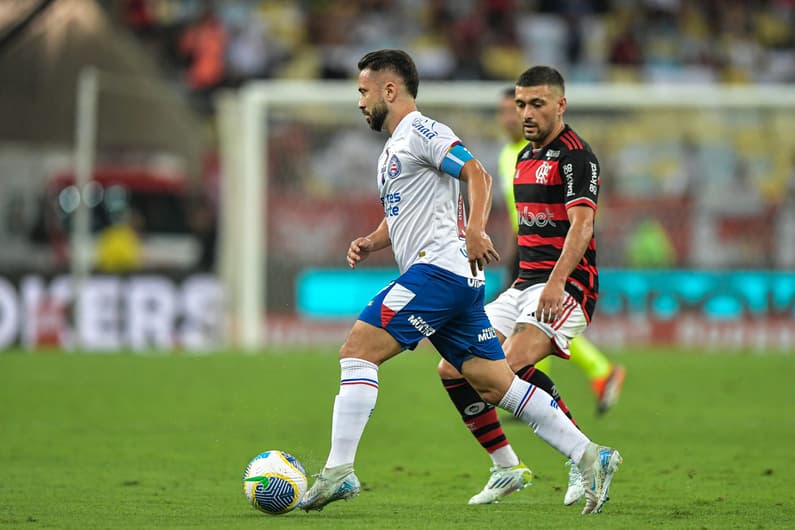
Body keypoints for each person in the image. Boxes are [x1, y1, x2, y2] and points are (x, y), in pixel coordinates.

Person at [299, 50, 621, 516]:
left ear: (390, 91)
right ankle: (589, 455)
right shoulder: (394, 148)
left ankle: (338, 471)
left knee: (358, 349)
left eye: (363, 91)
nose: (359, 102)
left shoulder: (423, 131)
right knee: (493, 383)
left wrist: (474, 229)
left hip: (439, 272)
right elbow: (405, 214)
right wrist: (372, 241)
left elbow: (476, 173)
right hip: (452, 278)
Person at [436, 66, 621, 507]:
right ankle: (507, 467)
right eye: (521, 104)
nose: (526, 113)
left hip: (567, 285)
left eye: (537, 103)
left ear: (561, 104)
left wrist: (557, 283)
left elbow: (583, 225)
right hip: (523, 283)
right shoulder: (522, 157)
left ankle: (586, 458)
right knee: (452, 369)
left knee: (501, 371)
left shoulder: (577, 157)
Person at [494, 86, 626, 415]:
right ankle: (595, 373)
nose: (513, 116)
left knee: (535, 330)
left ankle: (590, 378)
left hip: (556, 260)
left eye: (520, 108)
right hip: (525, 254)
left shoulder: (555, 153)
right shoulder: (511, 155)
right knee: (522, 330)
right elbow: (519, 214)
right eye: (510, 109)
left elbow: (579, 212)